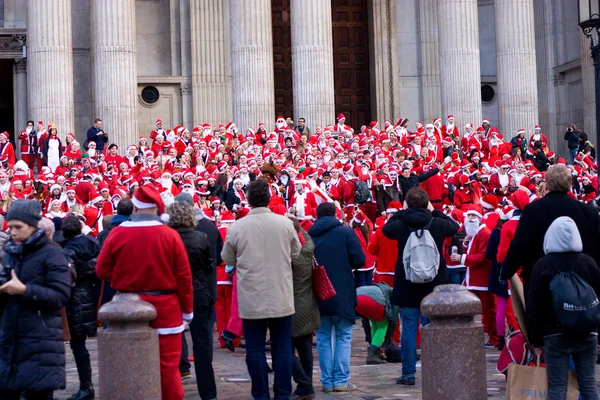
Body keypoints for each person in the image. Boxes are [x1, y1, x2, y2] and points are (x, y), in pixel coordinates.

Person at [96, 185, 193, 400]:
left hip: (127, 308)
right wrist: (187, 311)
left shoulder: (117, 234)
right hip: (166, 309)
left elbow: (102, 270)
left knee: (129, 369)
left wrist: (124, 278)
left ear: (135, 208)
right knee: (168, 371)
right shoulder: (170, 236)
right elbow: (184, 278)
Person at [221, 179, 301, 400]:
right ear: (268, 198)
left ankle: (261, 395)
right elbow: (296, 254)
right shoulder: (284, 224)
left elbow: (227, 257)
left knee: (255, 349)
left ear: (248, 199)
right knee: (282, 348)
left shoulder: (237, 226)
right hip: (280, 293)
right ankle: (283, 394)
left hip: (251, 295)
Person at [382, 187, 459, 386]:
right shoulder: (438, 223)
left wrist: (402, 211)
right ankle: (434, 371)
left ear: (407, 203)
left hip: (408, 285)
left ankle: (408, 373)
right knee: (432, 329)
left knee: (408, 330)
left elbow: (386, 229)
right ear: (427, 203)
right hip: (434, 284)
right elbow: (455, 226)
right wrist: (434, 211)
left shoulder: (400, 224)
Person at [0, 200, 71, 399]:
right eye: (10, 226)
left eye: (17, 227)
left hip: (40, 342)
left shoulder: (52, 253)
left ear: (32, 226)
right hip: (10, 342)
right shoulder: (10, 252)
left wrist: (24, 290)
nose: (12, 232)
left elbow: (60, 296)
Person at [527, 217, 600, 400]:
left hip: (554, 334)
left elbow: (534, 306)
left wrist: (536, 341)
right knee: (589, 385)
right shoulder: (588, 263)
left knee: (558, 386)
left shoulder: (542, 265)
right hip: (588, 332)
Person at [501, 165, 600, 297]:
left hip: (541, 282)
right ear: (570, 184)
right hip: (581, 282)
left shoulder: (532, 211)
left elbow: (520, 246)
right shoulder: (588, 212)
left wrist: (506, 272)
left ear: (546, 185)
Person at [308, 202, 366, 393]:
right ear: (335, 214)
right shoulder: (345, 232)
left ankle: (327, 381)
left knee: (324, 337)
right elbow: (360, 260)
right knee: (343, 336)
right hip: (342, 290)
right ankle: (341, 380)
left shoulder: (309, 235)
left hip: (318, 290)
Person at [165, 201, 216, 400]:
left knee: (171, 344)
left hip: (173, 294)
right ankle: (209, 393)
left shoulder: (167, 238)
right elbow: (208, 265)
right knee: (202, 344)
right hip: (199, 292)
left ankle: (172, 389)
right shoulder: (200, 237)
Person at [61, 216, 100, 400]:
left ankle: (86, 386)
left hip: (75, 298)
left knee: (78, 344)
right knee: (80, 344)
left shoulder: (68, 250)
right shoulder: (93, 243)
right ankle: (87, 385)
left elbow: (69, 276)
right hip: (91, 294)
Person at [288, 217, 320, 400]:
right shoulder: (307, 250)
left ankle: (304, 385)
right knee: (305, 348)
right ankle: (307, 385)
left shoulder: (287, 256)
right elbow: (307, 237)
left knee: (285, 348)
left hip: (290, 305)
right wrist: (298, 225)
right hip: (308, 305)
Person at [355, 282, 397, 364]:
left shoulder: (378, 288)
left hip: (356, 299)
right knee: (382, 326)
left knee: (374, 324)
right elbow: (393, 320)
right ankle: (372, 355)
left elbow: (365, 322)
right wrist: (385, 344)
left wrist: (370, 341)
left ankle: (374, 351)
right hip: (374, 300)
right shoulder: (392, 295)